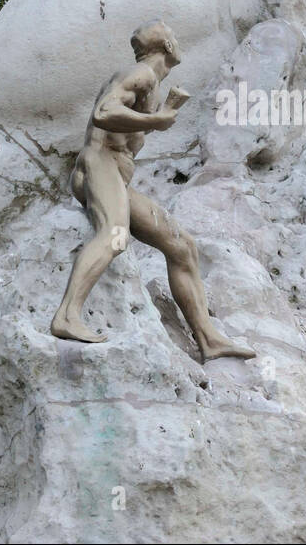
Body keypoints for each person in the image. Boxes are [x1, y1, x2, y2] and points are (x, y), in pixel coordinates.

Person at [50, 19, 256, 360]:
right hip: (99, 164)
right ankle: (67, 315)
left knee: (182, 246)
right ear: (168, 48)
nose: (178, 41)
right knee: (115, 234)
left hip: (114, 175)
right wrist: (155, 121)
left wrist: (155, 116)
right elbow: (104, 112)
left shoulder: (152, 86)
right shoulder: (141, 74)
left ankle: (208, 339)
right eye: (174, 37)